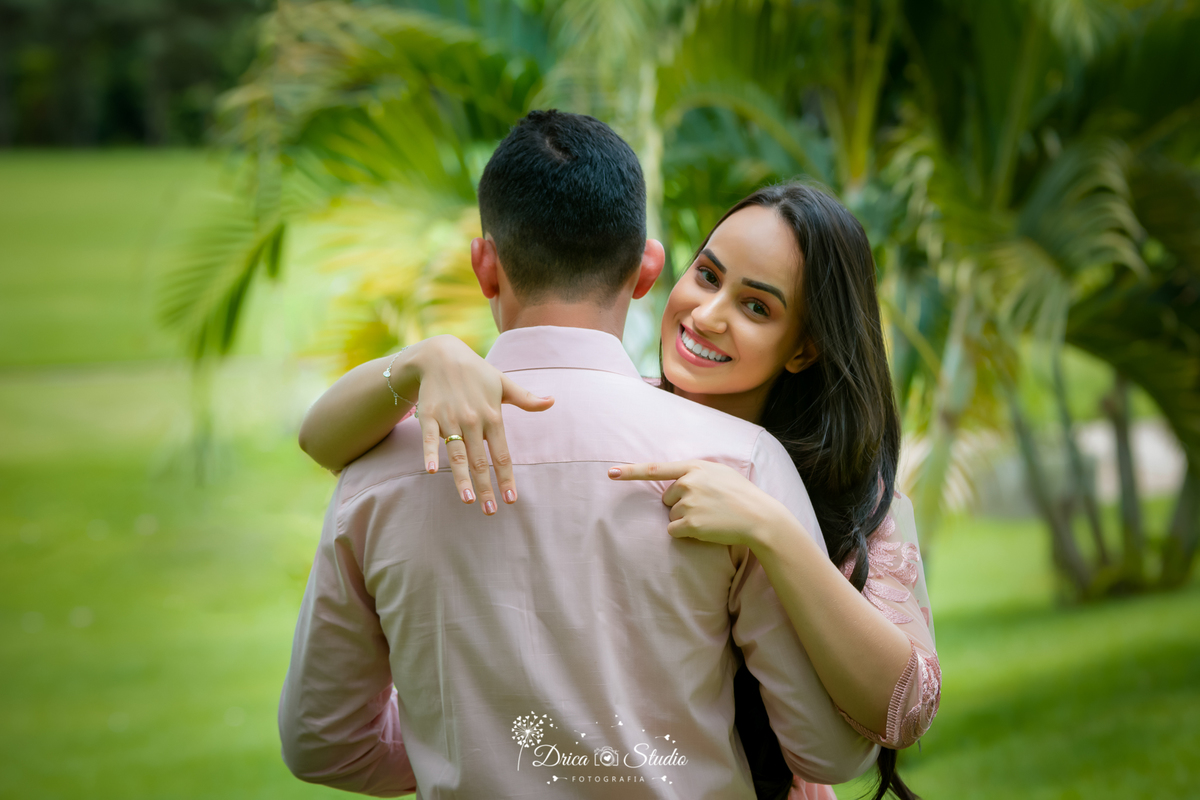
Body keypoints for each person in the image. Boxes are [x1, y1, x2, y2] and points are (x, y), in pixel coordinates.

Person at [279, 110, 883, 799]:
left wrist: (472, 745)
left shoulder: (380, 468)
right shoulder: (741, 465)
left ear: (485, 267)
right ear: (648, 269)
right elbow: (830, 753)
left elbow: (321, 742)